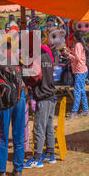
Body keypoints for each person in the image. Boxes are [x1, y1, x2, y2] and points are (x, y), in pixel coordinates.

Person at [23, 32, 58, 168]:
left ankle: (37, 158)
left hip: (43, 96)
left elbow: (36, 75)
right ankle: (50, 153)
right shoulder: (46, 54)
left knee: (39, 127)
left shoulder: (37, 55)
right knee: (48, 127)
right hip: (51, 95)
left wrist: (24, 76)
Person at [0, 42, 26, 176]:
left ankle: (2, 170)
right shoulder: (18, 63)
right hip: (20, 98)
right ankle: (18, 169)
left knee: (3, 135)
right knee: (18, 134)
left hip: (5, 101)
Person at [65, 31, 89, 118]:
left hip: (79, 71)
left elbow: (77, 58)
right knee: (82, 91)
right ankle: (86, 110)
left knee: (77, 91)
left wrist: (69, 55)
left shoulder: (77, 45)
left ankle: (74, 112)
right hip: (82, 70)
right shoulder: (81, 44)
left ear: (75, 37)